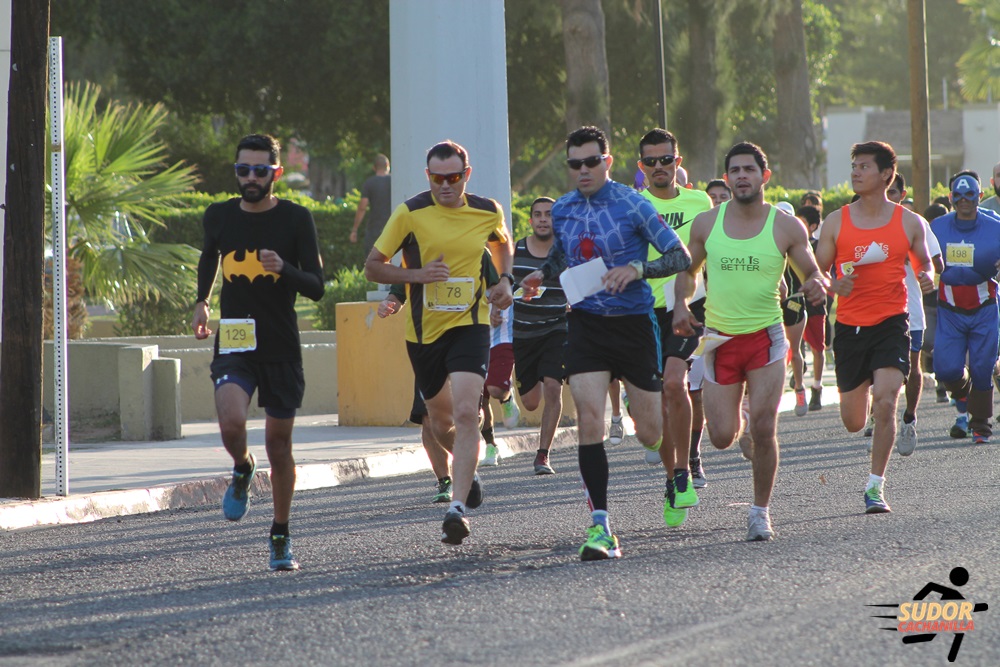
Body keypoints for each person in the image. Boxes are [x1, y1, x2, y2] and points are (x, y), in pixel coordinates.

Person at [520, 126, 691, 561]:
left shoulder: (632, 203)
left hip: (634, 324)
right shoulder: (562, 209)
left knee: (650, 431)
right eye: (574, 164)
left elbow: (679, 257)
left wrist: (636, 268)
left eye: (591, 162)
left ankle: (673, 475)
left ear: (608, 162)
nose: (582, 170)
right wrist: (543, 273)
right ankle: (600, 526)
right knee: (591, 422)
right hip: (586, 326)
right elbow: (565, 256)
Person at [674, 142, 828, 542]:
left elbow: (811, 270)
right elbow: (688, 272)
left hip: (766, 338)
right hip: (719, 340)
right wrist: (679, 304)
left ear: (764, 176)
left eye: (749, 169)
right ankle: (737, 416)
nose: (742, 175)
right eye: (735, 170)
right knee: (722, 436)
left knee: (764, 426)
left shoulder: (785, 226)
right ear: (727, 179)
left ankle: (760, 513)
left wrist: (816, 284)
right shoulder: (707, 223)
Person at [365, 140, 513, 546]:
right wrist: (417, 277)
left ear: (467, 175)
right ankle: (471, 472)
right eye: (436, 178)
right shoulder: (410, 213)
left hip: (470, 325)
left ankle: (457, 510)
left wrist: (503, 281)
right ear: (427, 175)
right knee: (440, 421)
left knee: (468, 414)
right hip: (423, 333)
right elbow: (372, 268)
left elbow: (501, 244)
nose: (445, 185)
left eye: (453, 177)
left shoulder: (487, 210)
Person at [192, 134, 326, 571]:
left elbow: (317, 286)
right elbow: (209, 258)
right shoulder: (218, 216)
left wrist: (283, 269)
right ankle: (243, 467)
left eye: (260, 171)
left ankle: (281, 533)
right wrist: (202, 301)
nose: (250, 178)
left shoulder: (296, 218)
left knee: (279, 444)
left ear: (276, 173)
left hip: (281, 345)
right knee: (232, 425)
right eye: (243, 170)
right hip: (234, 341)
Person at [814, 141, 935, 515]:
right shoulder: (836, 221)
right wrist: (833, 284)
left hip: (891, 321)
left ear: (886, 174)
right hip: (850, 327)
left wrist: (928, 276)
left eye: (864, 166)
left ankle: (875, 486)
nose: (855, 172)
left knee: (886, 401)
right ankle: (863, 399)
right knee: (853, 422)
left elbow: (925, 263)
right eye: (853, 165)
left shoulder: (908, 221)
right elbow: (815, 274)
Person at [635, 128, 713, 528]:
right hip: (642, 310)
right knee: (650, 407)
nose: (659, 167)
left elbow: (718, 248)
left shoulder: (701, 202)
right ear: (641, 167)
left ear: (678, 162)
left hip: (688, 305)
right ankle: (672, 478)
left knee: (674, 383)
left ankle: (683, 469)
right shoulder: (634, 203)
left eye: (666, 159)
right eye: (651, 161)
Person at [930, 170, 1000, 444]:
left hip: (984, 305)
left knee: (983, 367)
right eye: (957, 196)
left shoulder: (995, 225)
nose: (964, 201)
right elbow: (916, 252)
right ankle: (962, 392)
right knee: (946, 368)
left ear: (980, 196)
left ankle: (981, 425)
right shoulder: (937, 227)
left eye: (970, 195)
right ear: (950, 198)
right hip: (949, 307)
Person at [378, 287, 454, 504]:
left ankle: (468, 464)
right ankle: (445, 480)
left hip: (466, 342)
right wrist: (388, 304)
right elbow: (398, 295)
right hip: (427, 346)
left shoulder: (473, 252)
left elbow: (495, 288)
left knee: (469, 415)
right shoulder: (413, 257)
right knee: (428, 418)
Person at [885, 172, 944, 455]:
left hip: (910, 310)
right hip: (875, 311)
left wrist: (927, 274)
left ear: (902, 193)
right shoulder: (859, 224)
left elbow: (937, 263)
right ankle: (882, 414)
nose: (887, 197)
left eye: (893, 192)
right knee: (882, 369)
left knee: (912, 367)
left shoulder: (914, 223)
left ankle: (908, 417)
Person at [511, 197, 566, 474]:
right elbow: (502, 286)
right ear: (530, 220)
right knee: (531, 403)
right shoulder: (516, 250)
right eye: (538, 214)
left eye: (549, 214)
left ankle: (543, 455)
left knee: (554, 388)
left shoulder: (565, 251)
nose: (544, 219)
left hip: (557, 328)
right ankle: (510, 391)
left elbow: (581, 282)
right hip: (523, 333)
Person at [797, 205, 827, 411]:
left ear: (813, 226)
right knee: (793, 350)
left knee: (818, 348)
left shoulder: (819, 246)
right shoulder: (788, 245)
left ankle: (817, 387)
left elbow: (824, 273)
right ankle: (799, 389)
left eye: (803, 222)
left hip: (815, 304)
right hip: (793, 302)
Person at [350, 154, 392, 250]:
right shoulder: (395, 182)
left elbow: (362, 207)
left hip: (374, 228)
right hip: (392, 226)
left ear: (374, 167)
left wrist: (355, 229)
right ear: (388, 165)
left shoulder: (369, 183)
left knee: (372, 259)